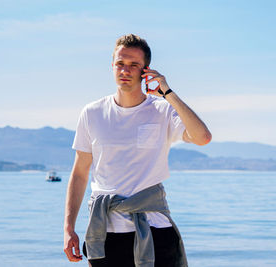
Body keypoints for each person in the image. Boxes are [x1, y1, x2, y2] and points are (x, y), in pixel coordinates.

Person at [63, 34, 212, 267]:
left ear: (146, 71)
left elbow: (203, 137)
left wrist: (168, 93)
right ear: (112, 66)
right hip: (104, 233)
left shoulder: (162, 111)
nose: (125, 70)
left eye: (134, 65)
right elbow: (80, 173)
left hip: (154, 231)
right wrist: (69, 228)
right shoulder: (92, 113)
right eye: (120, 64)